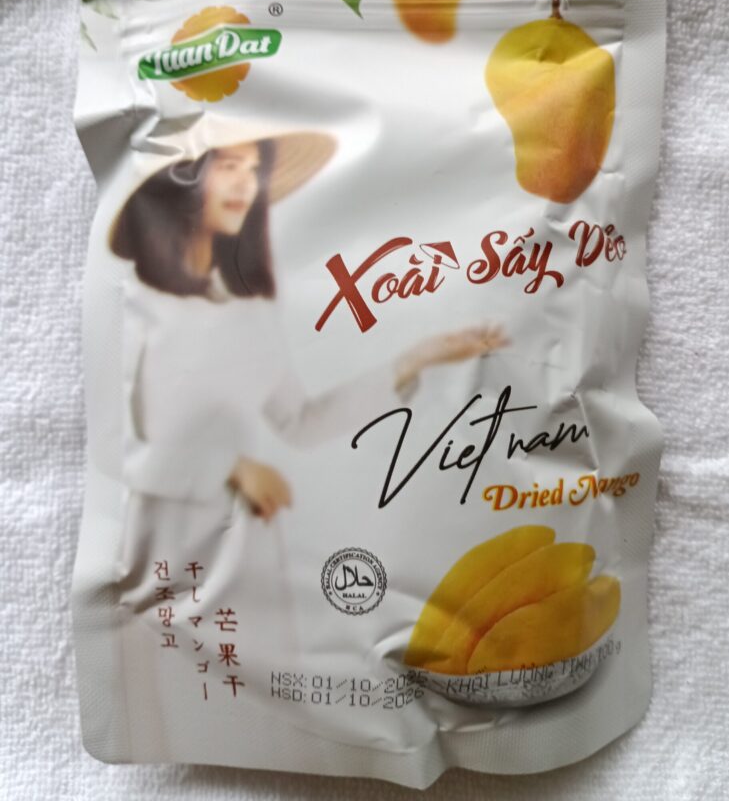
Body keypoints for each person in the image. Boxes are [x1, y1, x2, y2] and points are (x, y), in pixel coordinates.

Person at [111, 129, 506, 520]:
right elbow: (111, 452)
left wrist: (417, 358)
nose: (245, 183)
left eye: (253, 169)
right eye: (229, 166)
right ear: (177, 183)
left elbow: (301, 423)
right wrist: (231, 469)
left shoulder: (249, 313)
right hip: (162, 538)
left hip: (252, 536)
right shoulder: (135, 303)